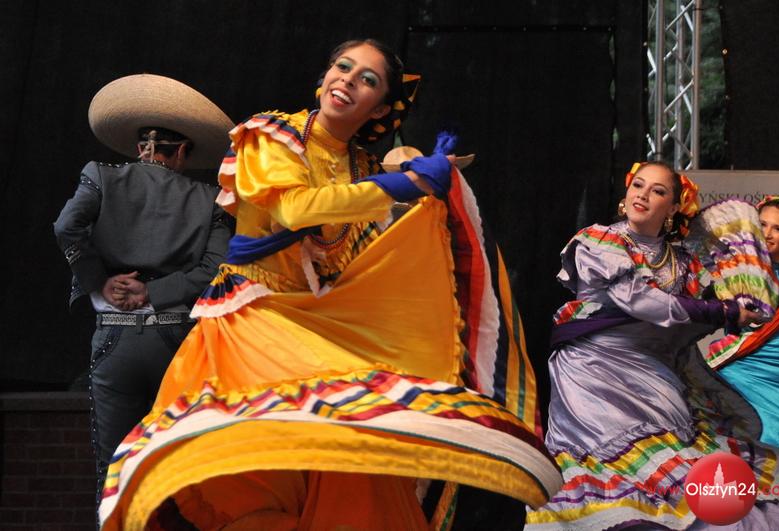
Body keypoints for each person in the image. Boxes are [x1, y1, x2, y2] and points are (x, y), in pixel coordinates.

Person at [98, 39, 562, 530]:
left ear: (378, 107)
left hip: (318, 325)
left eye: (368, 79)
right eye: (343, 67)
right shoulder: (271, 134)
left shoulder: (362, 169)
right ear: (323, 79)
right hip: (252, 322)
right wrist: (401, 186)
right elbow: (294, 208)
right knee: (253, 475)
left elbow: (364, 256)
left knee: (355, 460)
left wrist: (425, 205)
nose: (348, 80)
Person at [525, 162, 779, 530]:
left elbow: (687, 322)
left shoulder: (682, 261)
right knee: (611, 474)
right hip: (593, 375)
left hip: (655, 376)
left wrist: (739, 304)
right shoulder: (599, 242)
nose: (643, 195)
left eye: (658, 191)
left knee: (680, 469)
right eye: (638, 186)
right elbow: (642, 302)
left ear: (673, 207)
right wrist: (723, 310)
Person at [53, 74, 233, 511]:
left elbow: (66, 227)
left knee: (114, 468)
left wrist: (99, 281)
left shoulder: (99, 175)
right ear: (183, 151)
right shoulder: (211, 198)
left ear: (140, 147)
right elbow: (215, 269)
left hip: (115, 338)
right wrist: (154, 293)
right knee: (177, 467)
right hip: (176, 340)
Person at [714, 197, 779, 452]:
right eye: (762, 224)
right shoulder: (731, 270)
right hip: (743, 369)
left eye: (778, 228)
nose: (767, 233)